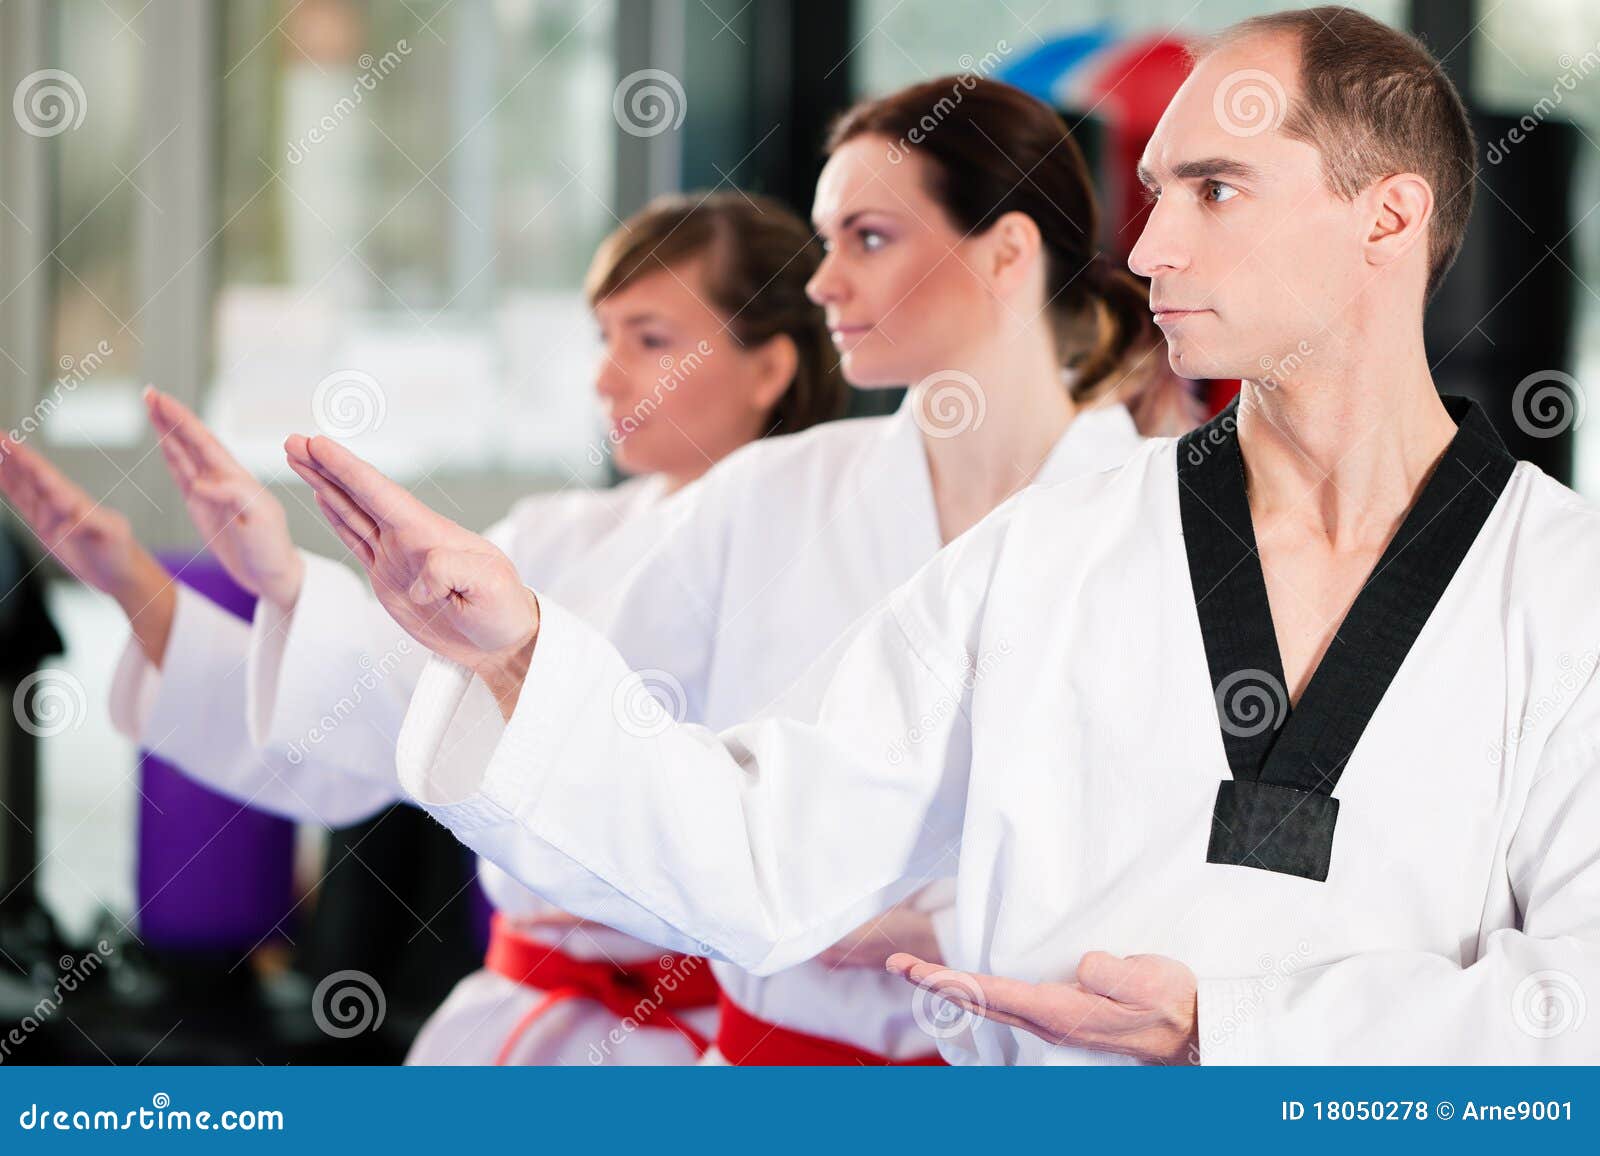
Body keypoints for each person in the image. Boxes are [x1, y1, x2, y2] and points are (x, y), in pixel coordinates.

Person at [289, 6, 1599, 1065]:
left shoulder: (1562, 588)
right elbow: (766, 849)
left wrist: (1233, 1030)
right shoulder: (1052, 551)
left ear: (1389, 214)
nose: (1147, 248)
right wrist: (524, 653)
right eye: (1151, 194)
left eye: (1214, 190)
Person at [287, 75, 1194, 1064]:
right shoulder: (767, 493)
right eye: (825, 237)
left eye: (869, 237)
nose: (821, 282)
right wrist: (506, 641)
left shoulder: (1165, 523)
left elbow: (1201, 859)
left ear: (1008, 252)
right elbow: (606, 746)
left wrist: (953, 921)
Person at [0, 191, 845, 1064]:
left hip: (711, 1042)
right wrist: (141, 581)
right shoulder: (556, 535)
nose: (606, 376)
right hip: (520, 1020)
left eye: (651, 340)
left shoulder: (838, 560)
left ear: (769, 368)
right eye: (604, 338)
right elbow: (378, 709)